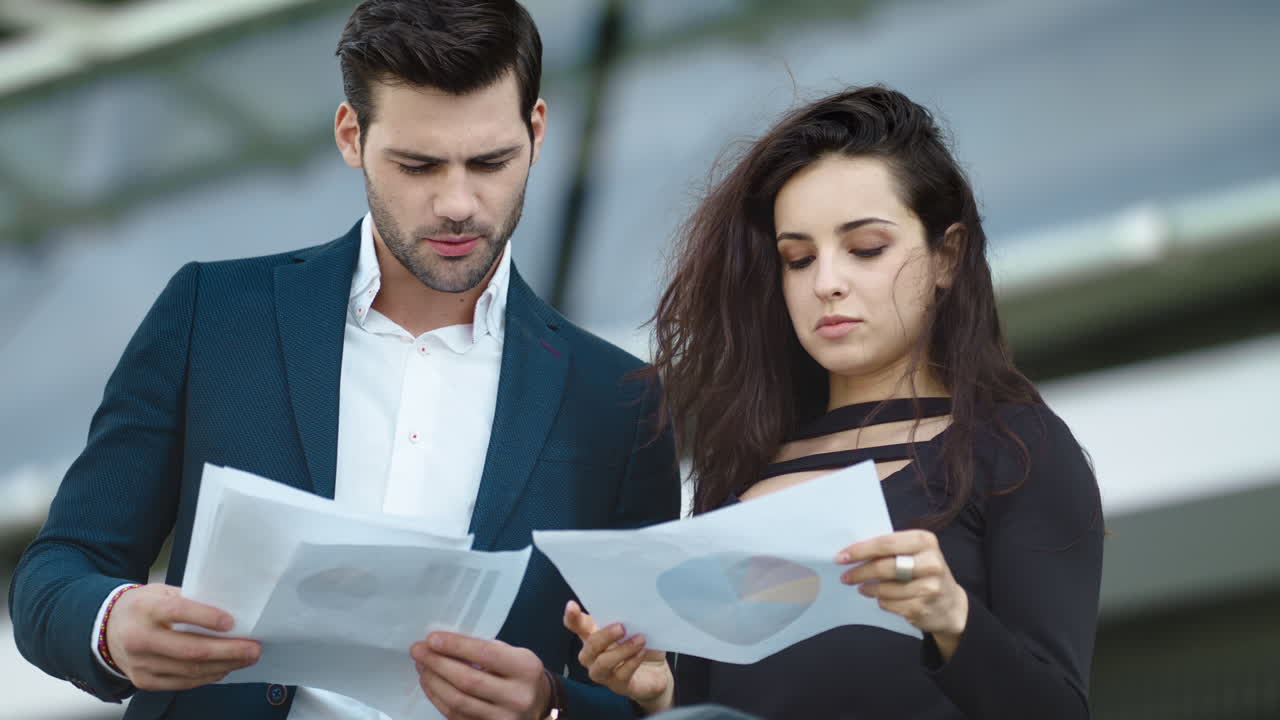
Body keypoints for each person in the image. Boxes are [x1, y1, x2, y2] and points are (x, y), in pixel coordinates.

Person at [7, 1, 680, 718]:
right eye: (418, 165)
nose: (457, 203)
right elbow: (56, 573)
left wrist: (551, 704)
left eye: (490, 162)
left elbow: (654, 683)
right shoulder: (215, 316)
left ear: (537, 132)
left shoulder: (618, 399)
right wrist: (111, 624)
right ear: (351, 135)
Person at [564, 85, 1104, 718]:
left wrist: (953, 618)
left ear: (947, 257)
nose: (826, 283)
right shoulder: (740, 473)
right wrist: (663, 699)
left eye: (866, 249)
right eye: (797, 259)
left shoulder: (1017, 449)